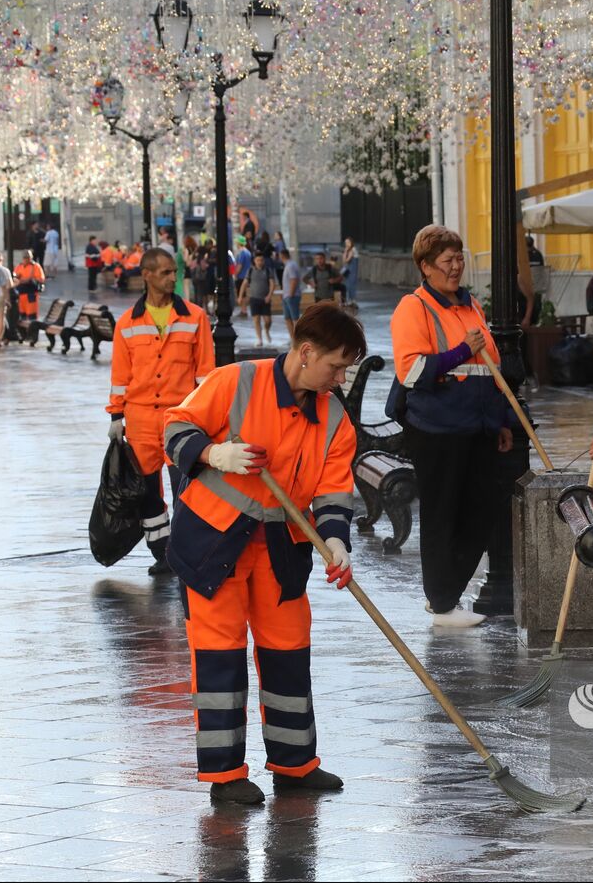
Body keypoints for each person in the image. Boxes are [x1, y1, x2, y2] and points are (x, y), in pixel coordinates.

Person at [163, 302, 363, 805]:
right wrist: (213, 453)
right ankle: (225, 775)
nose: (340, 378)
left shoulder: (333, 417)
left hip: (282, 547)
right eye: (336, 366)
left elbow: (334, 490)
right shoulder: (235, 382)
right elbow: (175, 429)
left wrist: (335, 540)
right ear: (306, 351)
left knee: (289, 652)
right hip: (213, 542)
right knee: (219, 656)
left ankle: (295, 765)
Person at [387, 225, 514, 628]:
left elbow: (489, 369)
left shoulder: (470, 304)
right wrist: (462, 351)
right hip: (437, 429)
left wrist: (502, 421)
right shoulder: (414, 308)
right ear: (426, 266)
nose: (456, 266)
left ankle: (447, 594)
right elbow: (411, 371)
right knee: (443, 515)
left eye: (459, 258)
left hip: (478, 426)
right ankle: (442, 603)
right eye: (448, 260)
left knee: (481, 512)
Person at [108, 248, 217, 576]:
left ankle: (186, 550)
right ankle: (162, 552)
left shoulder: (195, 317)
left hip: (179, 419)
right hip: (140, 419)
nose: (173, 278)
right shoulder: (127, 323)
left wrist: (208, 417)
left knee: (185, 486)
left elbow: (206, 375)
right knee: (146, 492)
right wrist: (116, 416)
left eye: (174, 272)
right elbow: (120, 376)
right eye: (166, 272)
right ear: (147, 275)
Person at [238, 251, 279, 347]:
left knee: (268, 320)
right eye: (258, 260)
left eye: (261, 260)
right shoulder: (250, 270)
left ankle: (266, 330)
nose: (260, 262)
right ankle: (259, 339)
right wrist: (240, 296)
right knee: (256, 320)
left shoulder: (268, 270)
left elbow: (272, 284)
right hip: (254, 298)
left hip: (265, 299)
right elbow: (244, 284)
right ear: (254, 261)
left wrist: (269, 295)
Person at [13, 254, 46, 332]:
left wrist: (29, 279)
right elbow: (14, 277)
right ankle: (24, 333)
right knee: (22, 316)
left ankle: (33, 333)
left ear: (31, 258)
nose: (26, 259)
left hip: (31, 294)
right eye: (24, 257)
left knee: (32, 316)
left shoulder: (35, 266)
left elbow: (41, 279)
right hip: (20, 295)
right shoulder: (19, 266)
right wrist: (19, 279)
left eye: (28, 257)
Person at [280, 248, 303, 343]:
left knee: (295, 318)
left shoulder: (291, 265)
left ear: (282, 256)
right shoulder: (288, 265)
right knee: (287, 318)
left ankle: (298, 339)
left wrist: (291, 294)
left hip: (292, 296)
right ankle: (292, 339)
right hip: (287, 295)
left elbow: (294, 279)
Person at [341, 237, 360, 307]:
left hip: (352, 270)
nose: (347, 244)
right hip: (348, 270)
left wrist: (346, 252)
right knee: (347, 284)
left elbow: (347, 260)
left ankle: (352, 300)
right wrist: (345, 251)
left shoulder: (353, 249)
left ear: (351, 243)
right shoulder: (347, 250)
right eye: (346, 243)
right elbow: (344, 261)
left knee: (352, 284)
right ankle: (349, 300)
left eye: (348, 242)